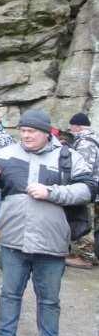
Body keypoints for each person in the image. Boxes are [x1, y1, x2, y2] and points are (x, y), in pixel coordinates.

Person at [0, 110, 95, 336]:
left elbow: (88, 189)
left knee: (49, 300)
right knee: (9, 295)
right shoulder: (7, 154)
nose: (26, 135)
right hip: (13, 240)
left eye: (32, 131)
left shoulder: (67, 157)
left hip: (51, 243)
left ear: (46, 133)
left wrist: (52, 192)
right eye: (23, 130)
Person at [65, 112, 98, 269]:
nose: (70, 129)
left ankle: (85, 257)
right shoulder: (94, 138)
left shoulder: (85, 143)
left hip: (91, 190)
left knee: (86, 223)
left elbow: (84, 169)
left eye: (71, 126)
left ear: (77, 126)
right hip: (96, 189)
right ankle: (93, 255)